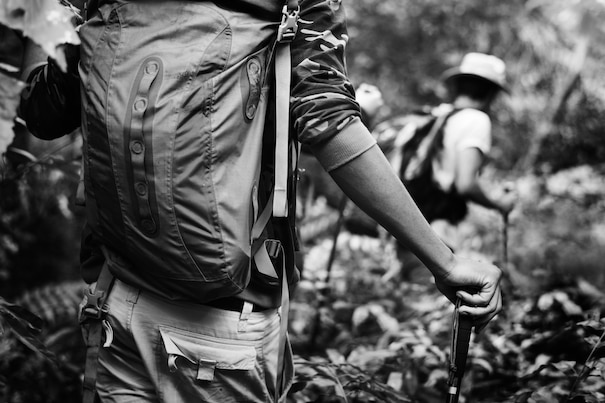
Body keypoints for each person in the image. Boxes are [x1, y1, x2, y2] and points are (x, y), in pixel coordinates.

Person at [18, 2, 503, 402]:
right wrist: (445, 261)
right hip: (221, 329)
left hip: (115, 297)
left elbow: (42, 111)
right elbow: (327, 124)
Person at [394, 52, 517, 281]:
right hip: (437, 233)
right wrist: (499, 204)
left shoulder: (429, 118)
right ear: (490, 92)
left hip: (404, 227)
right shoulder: (475, 120)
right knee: (431, 301)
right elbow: (465, 184)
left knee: (411, 300)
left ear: (458, 85)